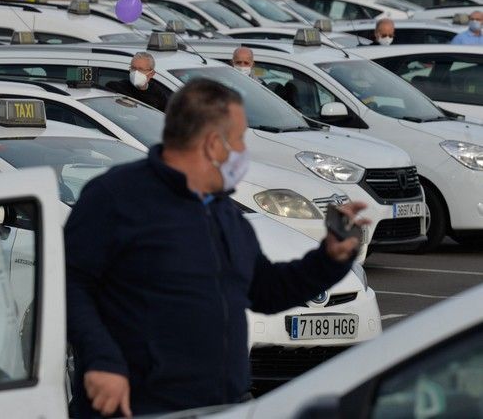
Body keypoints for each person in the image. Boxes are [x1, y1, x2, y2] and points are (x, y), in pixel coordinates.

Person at [65, 79, 367, 417]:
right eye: (238, 139)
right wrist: (101, 359)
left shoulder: (221, 209)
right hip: (138, 407)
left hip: (222, 405)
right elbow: (70, 285)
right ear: (212, 144)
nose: (243, 151)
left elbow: (264, 290)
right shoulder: (115, 197)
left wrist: (329, 260)